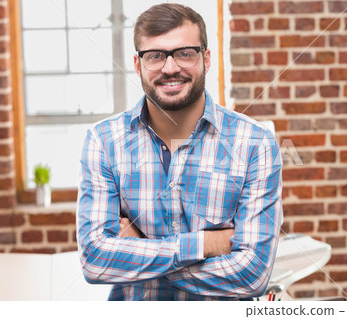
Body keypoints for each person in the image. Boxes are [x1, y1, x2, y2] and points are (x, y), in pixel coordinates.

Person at [77, 3, 282, 301]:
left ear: (206, 59)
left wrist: (140, 248)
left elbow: (252, 276)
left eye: (185, 53)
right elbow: (95, 261)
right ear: (138, 65)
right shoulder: (103, 142)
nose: (170, 68)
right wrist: (203, 244)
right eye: (155, 56)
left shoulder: (255, 143)